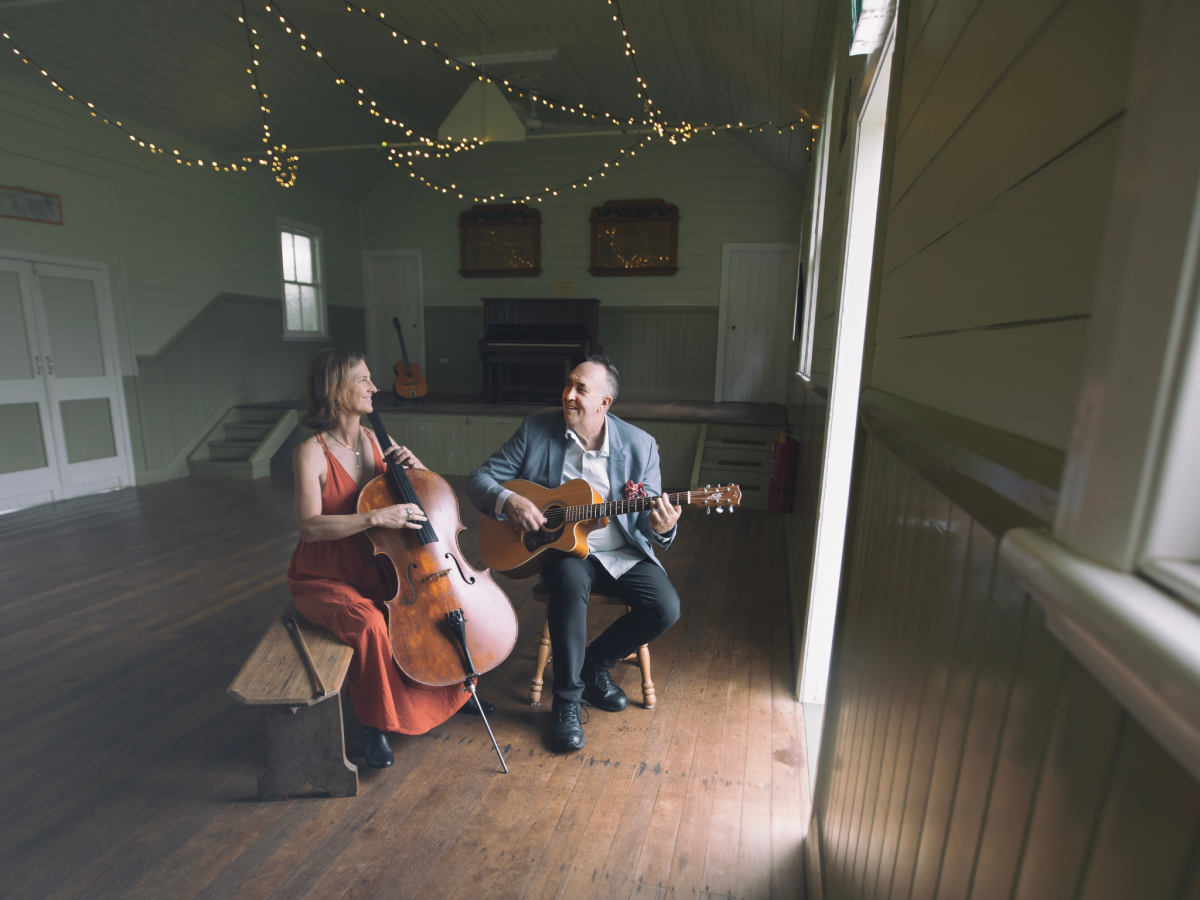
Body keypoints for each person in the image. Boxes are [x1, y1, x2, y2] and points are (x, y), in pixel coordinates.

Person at [466, 356, 682, 751]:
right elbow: (479, 480)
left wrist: (662, 527)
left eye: (581, 389)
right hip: (566, 551)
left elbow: (650, 522)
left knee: (666, 607)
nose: (567, 395)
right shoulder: (535, 430)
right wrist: (509, 499)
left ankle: (594, 664)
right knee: (567, 586)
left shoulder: (640, 445)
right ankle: (565, 704)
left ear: (605, 403)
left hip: (622, 551)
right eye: (568, 385)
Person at [287, 348, 479, 770]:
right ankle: (375, 725)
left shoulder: (378, 440)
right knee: (373, 625)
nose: (374, 388)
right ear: (336, 391)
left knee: (427, 609)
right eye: (363, 380)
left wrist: (418, 467)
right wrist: (374, 516)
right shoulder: (310, 453)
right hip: (324, 576)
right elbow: (309, 527)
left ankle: (452, 689)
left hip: (377, 566)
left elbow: (429, 501)